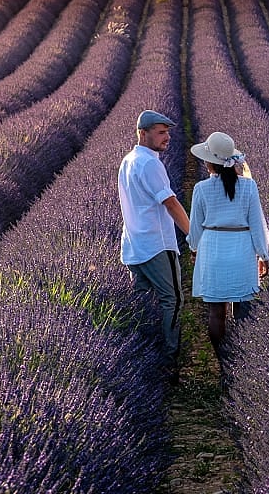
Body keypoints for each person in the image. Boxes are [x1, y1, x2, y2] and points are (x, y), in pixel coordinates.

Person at [117, 110, 190, 384]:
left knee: (145, 304)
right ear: (142, 133)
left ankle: (141, 360)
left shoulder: (128, 161)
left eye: (167, 132)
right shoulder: (149, 164)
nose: (167, 137)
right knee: (173, 299)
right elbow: (170, 202)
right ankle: (169, 363)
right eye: (160, 132)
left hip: (134, 245)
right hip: (157, 245)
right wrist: (193, 234)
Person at [187, 131, 269, 367]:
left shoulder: (201, 189)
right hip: (242, 251)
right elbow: (257, 223)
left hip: (212, 250)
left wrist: (194, 250)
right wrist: (263, 255)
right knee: (242, 309)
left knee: (216, 313)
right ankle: (241, 364)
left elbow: (195, 229)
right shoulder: (248, 186)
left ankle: (223, 362)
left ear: (208, 162)